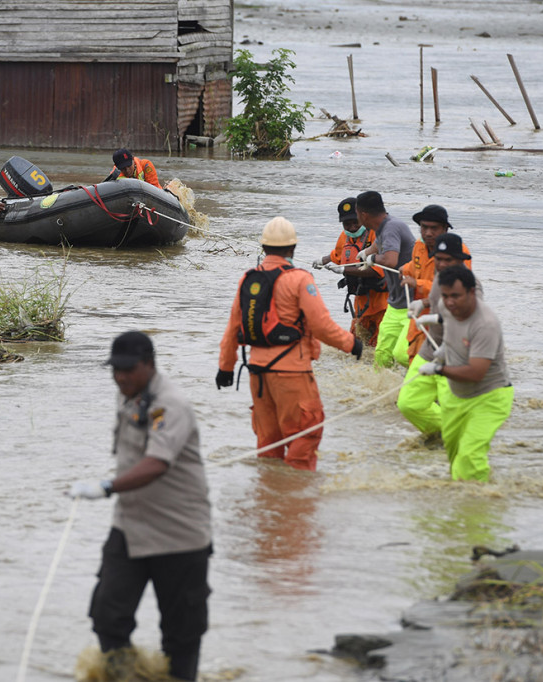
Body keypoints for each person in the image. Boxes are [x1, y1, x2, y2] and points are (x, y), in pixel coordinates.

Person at [70, 331, 212, 682]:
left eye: (128, 370)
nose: (120, 377)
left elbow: (157, 463)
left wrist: (106, 487)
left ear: (149, 364)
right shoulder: (130, 396)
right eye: (115, 370)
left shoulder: (170, 404)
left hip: (179, 534)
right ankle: (124, 676)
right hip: (130, 527)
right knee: (106, 614)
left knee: (182, 632)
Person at [217, 217, 363, 471]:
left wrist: (225, 368)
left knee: (268, 445)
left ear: (264, 248)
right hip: (292, 374)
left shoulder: (248, 279)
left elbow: (232, 328)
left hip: (258, 374)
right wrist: (352, 344)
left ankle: (269, 500)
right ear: (292, 248)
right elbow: (321, 326)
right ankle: (294, 501)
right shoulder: (299, 279)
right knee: (306, 436)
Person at [422, 265, 512, 482]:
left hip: (489, 397)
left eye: (456, 296)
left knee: (470, 456)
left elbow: (475, 373)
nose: (450, 302)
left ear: (472, 292)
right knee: (454, 455)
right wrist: (441, 344)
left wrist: (438, 369)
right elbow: (448, 322)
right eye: (445, 296)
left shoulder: (485, 324)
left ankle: (479, 508)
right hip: (457, 396)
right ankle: (457, 505)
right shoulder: (446, 306)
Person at [397, 232, 478, 438]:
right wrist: (422, 303)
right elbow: (437, 300)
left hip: (456, 356)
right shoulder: (440, 278)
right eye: (438, 259)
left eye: (447, 260)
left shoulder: (470, 285)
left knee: (451, 405)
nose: (441, 264)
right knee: (407, 404)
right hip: (430, 349)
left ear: (460, 260)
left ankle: (456, 437)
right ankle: (442, 434)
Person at [312, 197, 387, 346]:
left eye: (355, 223)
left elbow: (377, 270)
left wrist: (344, 270)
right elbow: (339, 254)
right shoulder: (345, 236)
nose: (352, 228)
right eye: (347, 224)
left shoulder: (376, 235)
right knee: (356, 343)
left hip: (382, 303)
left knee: (378, 346)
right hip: (361, 303)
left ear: (363, 218)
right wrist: (324, 260)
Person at [399, 204, 468, 363]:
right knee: (407, 356)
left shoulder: (458, 253)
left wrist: (417, 284)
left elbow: (456, 290)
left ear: (445, 229)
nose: (428, 233)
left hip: (442, 319)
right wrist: (405, 269)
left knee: (426, 364)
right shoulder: (419, 245)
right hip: (419, 315)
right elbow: (415, 266)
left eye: (434, 228)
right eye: (424, 227)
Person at [354, 190, 416, 368]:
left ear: (363, 214)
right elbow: (380, 242)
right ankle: (383, 392)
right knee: (381, 356)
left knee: (404, 355)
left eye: (357, 214)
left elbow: (390, 260)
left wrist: (373, 259)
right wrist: (367, 252)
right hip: (395, 303)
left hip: (413, 303)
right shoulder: (384, 226)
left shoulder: (391, 227)